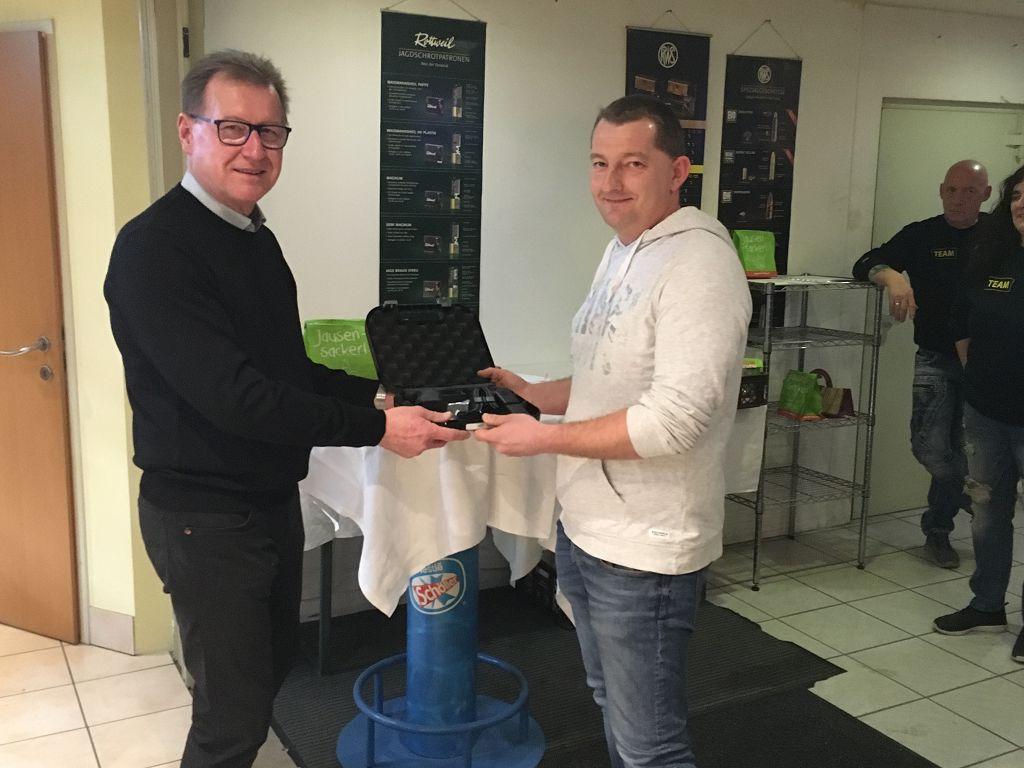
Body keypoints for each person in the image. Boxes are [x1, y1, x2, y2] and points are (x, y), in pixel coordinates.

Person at [104, 51, 466, 767]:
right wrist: (377, 428)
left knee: (267, 681)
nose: (255, 149)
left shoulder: (255, 240)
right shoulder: (156, 250)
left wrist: (380, 395)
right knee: (231, 722)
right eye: (233, 128)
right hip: (206, 517)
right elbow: (237, 399)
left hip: (268, 502)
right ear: (187, 131)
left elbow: (285, 371)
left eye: (270, 132)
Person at [474, 95, 751, 768]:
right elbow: (609, 380)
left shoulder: (699, 265)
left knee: (650, 743)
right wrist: (533, 393)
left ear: (677, 171)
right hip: (588, 529)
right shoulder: (623, 251)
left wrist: (543, 438)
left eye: (632, 163)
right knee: (610, 704)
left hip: (646, 550)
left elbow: (675, 419)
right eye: (599, 163)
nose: (610, 182)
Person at [852, 160, 991, 568]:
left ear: (985, 195)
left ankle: (938, 532)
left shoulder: (999, 235)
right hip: (935, 357)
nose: (958, 199)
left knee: (970, 447)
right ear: (941, 190)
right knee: (930, 446)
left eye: (969, 191)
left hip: (987, 362)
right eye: (951, 190)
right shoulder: (922, 234)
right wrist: (892, 277)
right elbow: (865, 263)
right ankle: (975, 494)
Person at [932, 164, 1024, 661]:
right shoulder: (995, 255)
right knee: (988, 513)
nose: (1022, 204)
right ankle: (987, 604)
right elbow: (962, 317)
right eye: (1018, 196)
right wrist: (975, 373)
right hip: (987, 412)